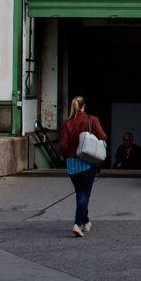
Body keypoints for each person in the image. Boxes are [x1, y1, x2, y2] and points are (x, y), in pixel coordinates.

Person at [58, 96, 107, 237]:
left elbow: (63, 145)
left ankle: (86, 221)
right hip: (87, 162)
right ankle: (77, 224)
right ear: (84, 106)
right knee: (84, 194)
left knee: (80, 193)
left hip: (71, 164)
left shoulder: (67, 123)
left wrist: (65, 154)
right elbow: (103, 136)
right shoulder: (92, 120)